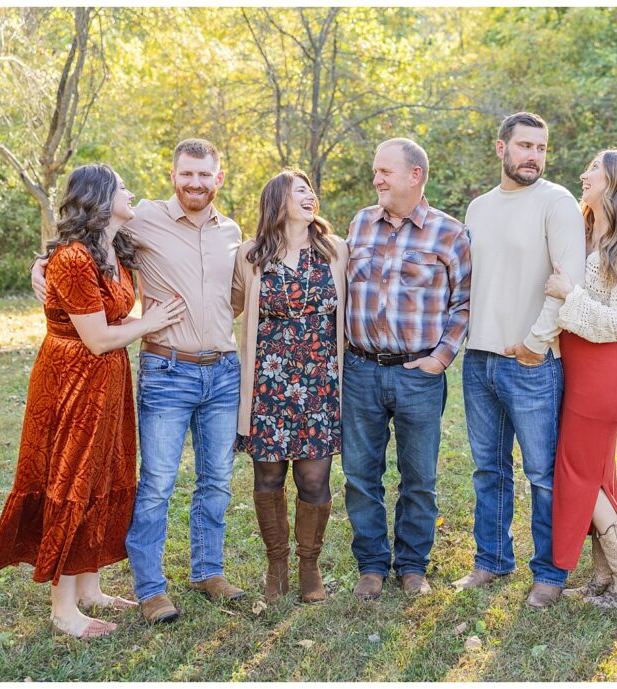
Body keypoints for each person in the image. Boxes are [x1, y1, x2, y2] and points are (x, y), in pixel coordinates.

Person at [32, 139, 246, 624]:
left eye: (204, 175)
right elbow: (76, 246)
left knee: (216, 481)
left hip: (222, 372)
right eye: (186, 174)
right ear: (173, 175)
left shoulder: (232, 232)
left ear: (219, 178)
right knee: (156, 484)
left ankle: (208, 571)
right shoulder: (143, 218)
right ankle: (151, 589)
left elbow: (238, 292)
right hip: (167, 370)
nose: (195, 183)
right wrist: (40, 265)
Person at [0, 164, 186, 638]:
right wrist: (152, 322)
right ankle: (63, 608)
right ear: (99, 198)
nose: (131, 192)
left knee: (104, 475)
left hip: (108, 381)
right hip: (72, 380)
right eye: (122, 188)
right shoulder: (75, 259)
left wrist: (40, 262)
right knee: (72, 479)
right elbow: (96, 338)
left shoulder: (116, 249)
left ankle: (90, 588)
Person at [452, 112, 585, 609]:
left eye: (541, 148)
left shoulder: (557, 202)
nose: (534, 156)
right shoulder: (478, 208)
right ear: (500, 149)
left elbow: (567, 281)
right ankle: (491, 560)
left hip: (532, 363)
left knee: (541, 473)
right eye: (525, 146)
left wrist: (535, 341)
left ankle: (549, 571)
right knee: (488, 470)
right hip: (479, 359)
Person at [342, 138, 471, 600]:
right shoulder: (360, 224)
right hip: (360, 369)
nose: (376, 179)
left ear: (415, 176)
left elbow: (464, 302)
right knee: (360, 474)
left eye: (384, 172)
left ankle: (413, 566)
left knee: (419, 477)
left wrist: (440, 358)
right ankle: (372, 566)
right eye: (375, 171)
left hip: (419, 375)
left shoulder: (449, 233)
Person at [544, 148, 617, 608]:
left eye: (594, 169)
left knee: (578, 472)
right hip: (575, 366)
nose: (584, 175)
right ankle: (605, 576)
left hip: (605, 372)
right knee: (597, 472)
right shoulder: (584, 231)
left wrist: (569, 296)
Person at [231, 169, 349, 604]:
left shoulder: (336, 251)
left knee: (315, 477)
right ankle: (276, 563)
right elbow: (221, 302)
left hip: (320, 382)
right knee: (269, 474)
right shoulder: (249, 255)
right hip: (268, 384)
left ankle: (309, 564)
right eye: (300, 190)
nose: (310, 197)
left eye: (312, 191)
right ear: (277, 200)